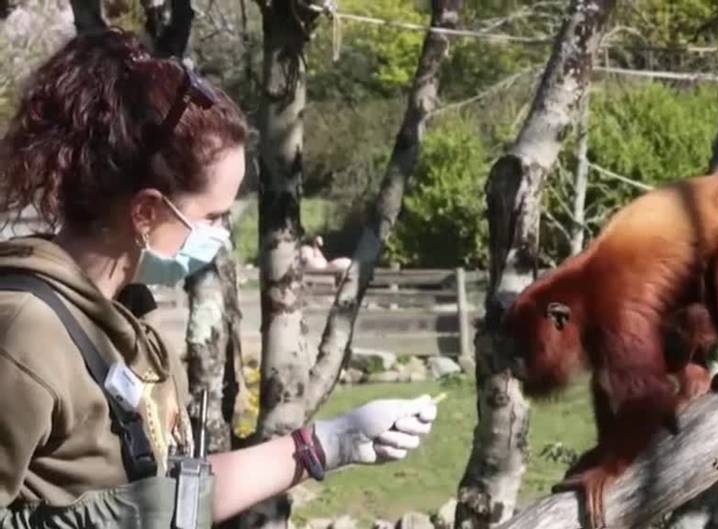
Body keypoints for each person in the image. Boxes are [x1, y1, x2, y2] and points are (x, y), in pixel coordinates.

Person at [0, 29, 437, 527]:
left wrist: (332, 444)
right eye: (213, 217)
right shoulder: (23, 334)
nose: (222, 236)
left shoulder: (124, 323)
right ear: (146, 212)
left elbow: (181, 495)